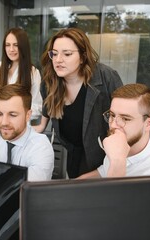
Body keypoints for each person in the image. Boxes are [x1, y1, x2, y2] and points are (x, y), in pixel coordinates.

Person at [33, 27, 123, 178]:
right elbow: (47, 109)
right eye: (54, 54)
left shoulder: (106, 76)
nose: (58, 60)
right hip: (72, 155)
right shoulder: (49, 82)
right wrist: (41, 125)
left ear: (82, 56)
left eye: (67, 54)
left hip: (104, 156)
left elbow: (128, 111)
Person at [77, 83, 150, 179]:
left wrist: (118, 162)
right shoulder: (120, 143)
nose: (113, 125)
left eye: (126, 119)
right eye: (112, 115)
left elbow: (111, 199)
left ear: (148, 124)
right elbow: (102, 173)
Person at [0, 83, 54, 181]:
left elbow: (26, 190)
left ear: (28, 115)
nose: (4, 122)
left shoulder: (40, 147)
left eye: (12, 115)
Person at [0, 27, 42, 128]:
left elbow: (37, 107)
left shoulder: (33, 73)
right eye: (7, 45)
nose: (11, 49)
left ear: (23, 47)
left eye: (16, 45)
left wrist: (15, 112)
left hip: (18, 128)